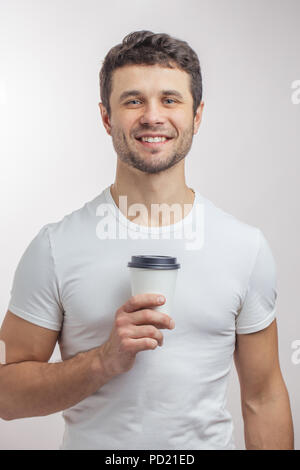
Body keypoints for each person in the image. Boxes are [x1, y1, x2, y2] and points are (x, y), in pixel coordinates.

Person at [0, 30, 294, 450]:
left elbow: (263, 398)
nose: (153, 116)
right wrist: (103, 360)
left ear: (197, 115)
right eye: (133, 100)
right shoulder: (54, 247)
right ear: (106, 118)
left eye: (170, 100)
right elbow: (6, 395)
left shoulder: (244, 248)